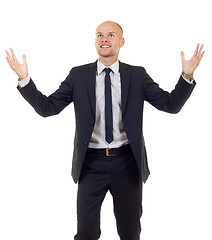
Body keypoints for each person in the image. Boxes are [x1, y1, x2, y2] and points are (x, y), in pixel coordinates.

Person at [6, 21, 204, 240]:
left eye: (111, 35)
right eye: (99, 35)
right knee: (86, 232)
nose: (104, 39)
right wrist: (24, 79)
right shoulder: (78, 75)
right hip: (90, 164)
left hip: (127, 163)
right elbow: (47, 108)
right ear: (95, 41)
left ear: (121, 42)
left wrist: (186, 76)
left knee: (130, 232)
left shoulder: (137, 75)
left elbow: (170, 105)